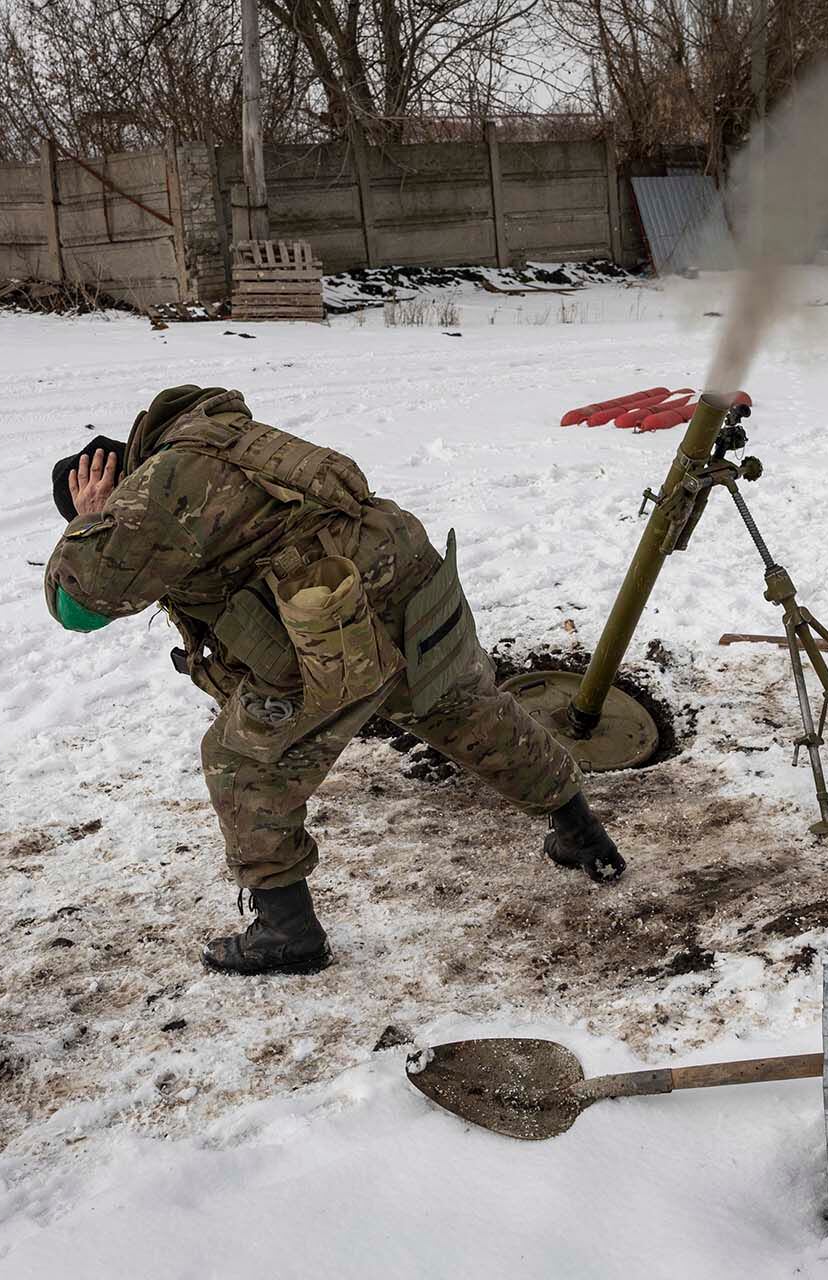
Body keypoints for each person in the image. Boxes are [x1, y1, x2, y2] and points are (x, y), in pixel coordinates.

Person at [45, 385, 623, 976]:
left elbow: (80, 605)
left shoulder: (154, 494)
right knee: (465, 710)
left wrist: (90, 523)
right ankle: (583, 836)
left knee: (244, 763)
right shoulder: (215, 434)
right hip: (402, 576)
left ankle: (287, 932)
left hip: (333, 612)